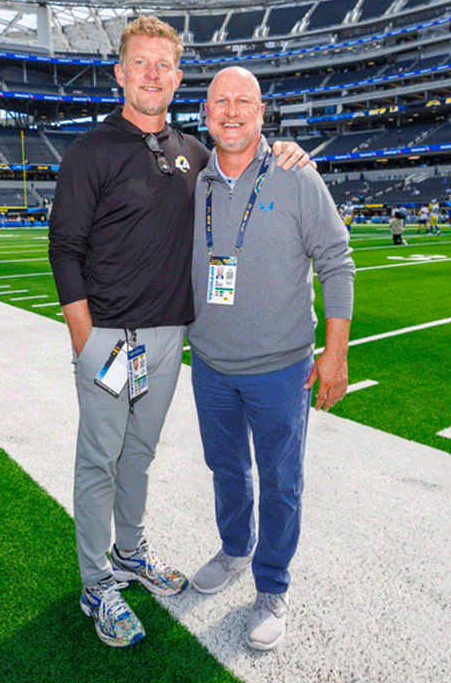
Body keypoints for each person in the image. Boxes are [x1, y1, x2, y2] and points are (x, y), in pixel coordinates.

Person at [46, 16, 310, 649]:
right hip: (109, 340)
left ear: (178, 77)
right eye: (141, 63)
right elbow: (64, 247)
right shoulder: (91, 151)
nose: (153, 75)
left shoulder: (192, 153)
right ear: (120, 73)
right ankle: (95, 581)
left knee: (139, 454)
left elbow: (246, 162)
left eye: (164, 65)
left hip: (167, 339)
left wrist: (284, 150)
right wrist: (85, 336)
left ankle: (131, 551)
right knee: (99, 458)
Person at [186, 66, 354, 652]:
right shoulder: (194, 181)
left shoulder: (296, 175)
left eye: (244, 102)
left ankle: (272, 585)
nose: (231, 112)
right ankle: (236, 550)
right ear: (205, 113)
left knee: (282, 480)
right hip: (208, 362)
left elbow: (337, 260)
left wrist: (336, 352)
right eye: (219, 102)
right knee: (226, 468)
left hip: (281, 367)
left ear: (262, 112)